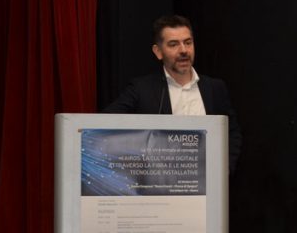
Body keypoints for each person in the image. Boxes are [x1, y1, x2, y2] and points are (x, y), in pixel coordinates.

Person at [104, 15, 243, 173]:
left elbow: (232, 132)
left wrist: (223, 170)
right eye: (173, 44)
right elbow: (106, 124)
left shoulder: (214, 88)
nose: (183, 50)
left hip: (208, 181)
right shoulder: (141, 89)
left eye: (188, 42)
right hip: (161, 182)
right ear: (158, 52)